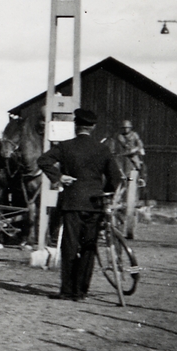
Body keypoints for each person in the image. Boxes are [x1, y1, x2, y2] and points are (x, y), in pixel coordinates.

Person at [36, 108, 122, 301]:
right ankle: (81, 292)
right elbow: (115, 178)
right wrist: (103, 192)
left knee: (69, 246)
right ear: (93, 127)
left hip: (72, 203)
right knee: (89, 247)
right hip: (95, 204)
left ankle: (67, 290)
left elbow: (43, 160)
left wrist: (59, 177)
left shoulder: (65, 146)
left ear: (76, 126)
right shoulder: (102, 149)